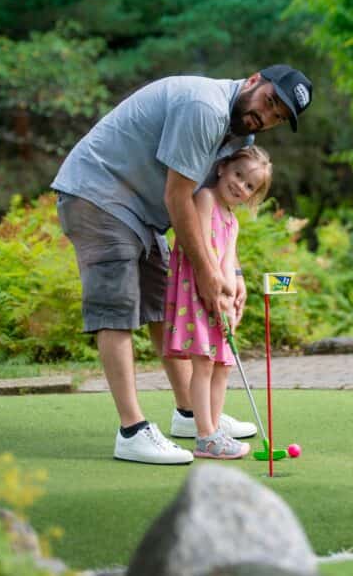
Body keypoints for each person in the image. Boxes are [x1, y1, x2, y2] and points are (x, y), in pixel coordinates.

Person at [52, 65, 313, 464]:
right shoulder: (204, 108)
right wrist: (208, 275)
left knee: (163, 304)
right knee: (117, 310)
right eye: (270, 101)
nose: (268, 115)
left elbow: (213, 210)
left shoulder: (240, 134)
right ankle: (132, 430)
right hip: (99, 194)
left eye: (278, 117)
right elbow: (179, 197)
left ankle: (193, 415)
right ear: (253, 80)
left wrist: (233, 273)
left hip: (141, 212)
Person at [163, 146, 272, 459]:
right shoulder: (205, 198)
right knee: (205, 362)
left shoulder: (233, 221)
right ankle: (205, 434)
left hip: (216, 294)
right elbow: (205, 250)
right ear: (223, 168)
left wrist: (231, 295)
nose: (240, 186)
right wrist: (219, 287)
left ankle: (213, 430)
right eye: (239, 175)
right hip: (197, 290)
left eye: (249, 186)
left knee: (223, 365)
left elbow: (226, 260)